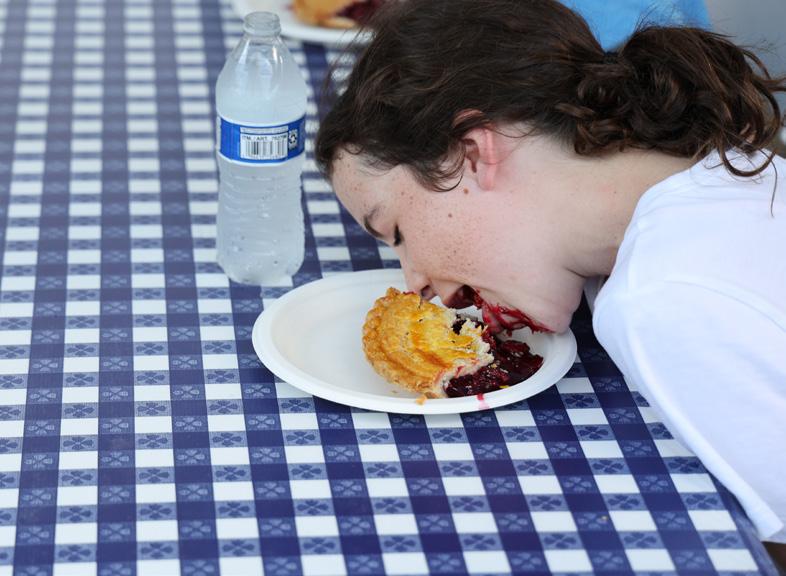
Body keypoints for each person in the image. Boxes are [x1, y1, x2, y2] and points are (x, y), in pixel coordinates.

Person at [314, 0, 786, 562]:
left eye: (395, 232)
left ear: (472, 153)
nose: (415, 281)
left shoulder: (662, 302)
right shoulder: (725, 166)